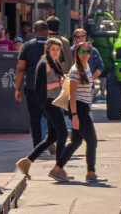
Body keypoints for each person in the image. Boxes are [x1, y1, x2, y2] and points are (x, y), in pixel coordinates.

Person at [16, 39, 70, 178]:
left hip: (53, 101)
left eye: (58, 49)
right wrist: (60, 82)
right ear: (47, 49)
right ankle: (58, 169)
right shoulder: (45, 64)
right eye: (53, 49)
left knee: (52, 136)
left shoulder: (52, 62)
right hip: (49, 102)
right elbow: (43, 86)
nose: (56, 52)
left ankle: (26, 162)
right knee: (62, 133)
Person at [53, 39, 106, 183]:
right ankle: (91, 173)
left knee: (76, 141)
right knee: (92, 141)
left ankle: (57, 169)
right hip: (78, 109)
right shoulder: (76, 70)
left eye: (87, 51)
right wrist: (75, 116)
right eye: (82, 51)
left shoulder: (86, 67)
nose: (85, 54)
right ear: (76, 53)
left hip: (83, 108)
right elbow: (73, 95)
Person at [15, 20, 53, 149]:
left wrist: (17, 89)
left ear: (34, 32)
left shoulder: (27, 46)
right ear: (47, 31)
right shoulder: (54, 46)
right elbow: (61, 67)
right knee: (51, 115)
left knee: (35, 117)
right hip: (51, 87)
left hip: (32, 86)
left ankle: (37, 144)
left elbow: (20, 69)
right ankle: (51, 140)